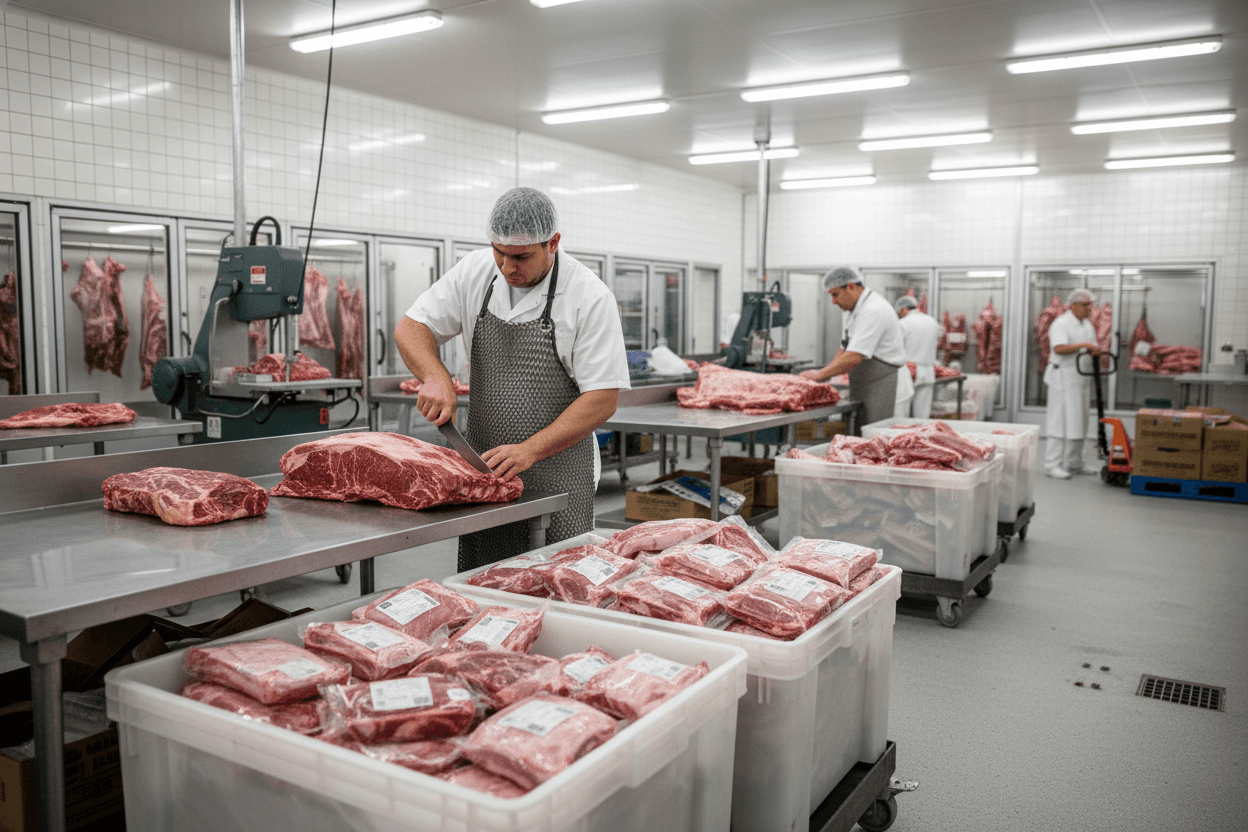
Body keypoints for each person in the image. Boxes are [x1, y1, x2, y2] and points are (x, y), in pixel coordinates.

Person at [395, 187, 630, 569]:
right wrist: (434, 375)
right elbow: (412, 326)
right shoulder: (475, 271)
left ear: (553, 243)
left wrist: (530, 450)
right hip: (485, 463)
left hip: (559, 470)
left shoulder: (589, 296)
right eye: (498, 252)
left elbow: (602, 398)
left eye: (521, 257)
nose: (506, 267)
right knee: (484, 572)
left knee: (555, 576)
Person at [800, 267, 914, 425]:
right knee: (863, 435)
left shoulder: (874, 310)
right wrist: (828, 376)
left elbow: (854, 356)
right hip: (867, 383)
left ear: (851, 286)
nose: (833, 302)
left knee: (881, 437)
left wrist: (819, 375)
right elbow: (845, 349)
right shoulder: (850, 311)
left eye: (835, 295)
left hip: (889, 385)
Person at [1044, 288, 1101, 479]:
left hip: (1081, 379)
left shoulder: (1086, 325)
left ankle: (1075, 462)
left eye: (1090, 305)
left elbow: (1091, 345)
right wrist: (1084, 346)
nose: (1089, 309)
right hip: (1062, 379)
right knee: (1058, 422)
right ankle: (1052, 464)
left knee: (1080, 421)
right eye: (1086, 305)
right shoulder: (1061, 323)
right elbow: (1059, 348)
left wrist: (1093, 350)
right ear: (1074, 305)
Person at [895, 295, 942, 419]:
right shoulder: (932, 321)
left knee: (902, 415)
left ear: (904, 309)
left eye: (899, 312)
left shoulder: (902, 323)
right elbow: (939, 341)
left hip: (908, 371)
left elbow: (895, 348)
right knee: (922, 416)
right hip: (928, 371)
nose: (899, 315)